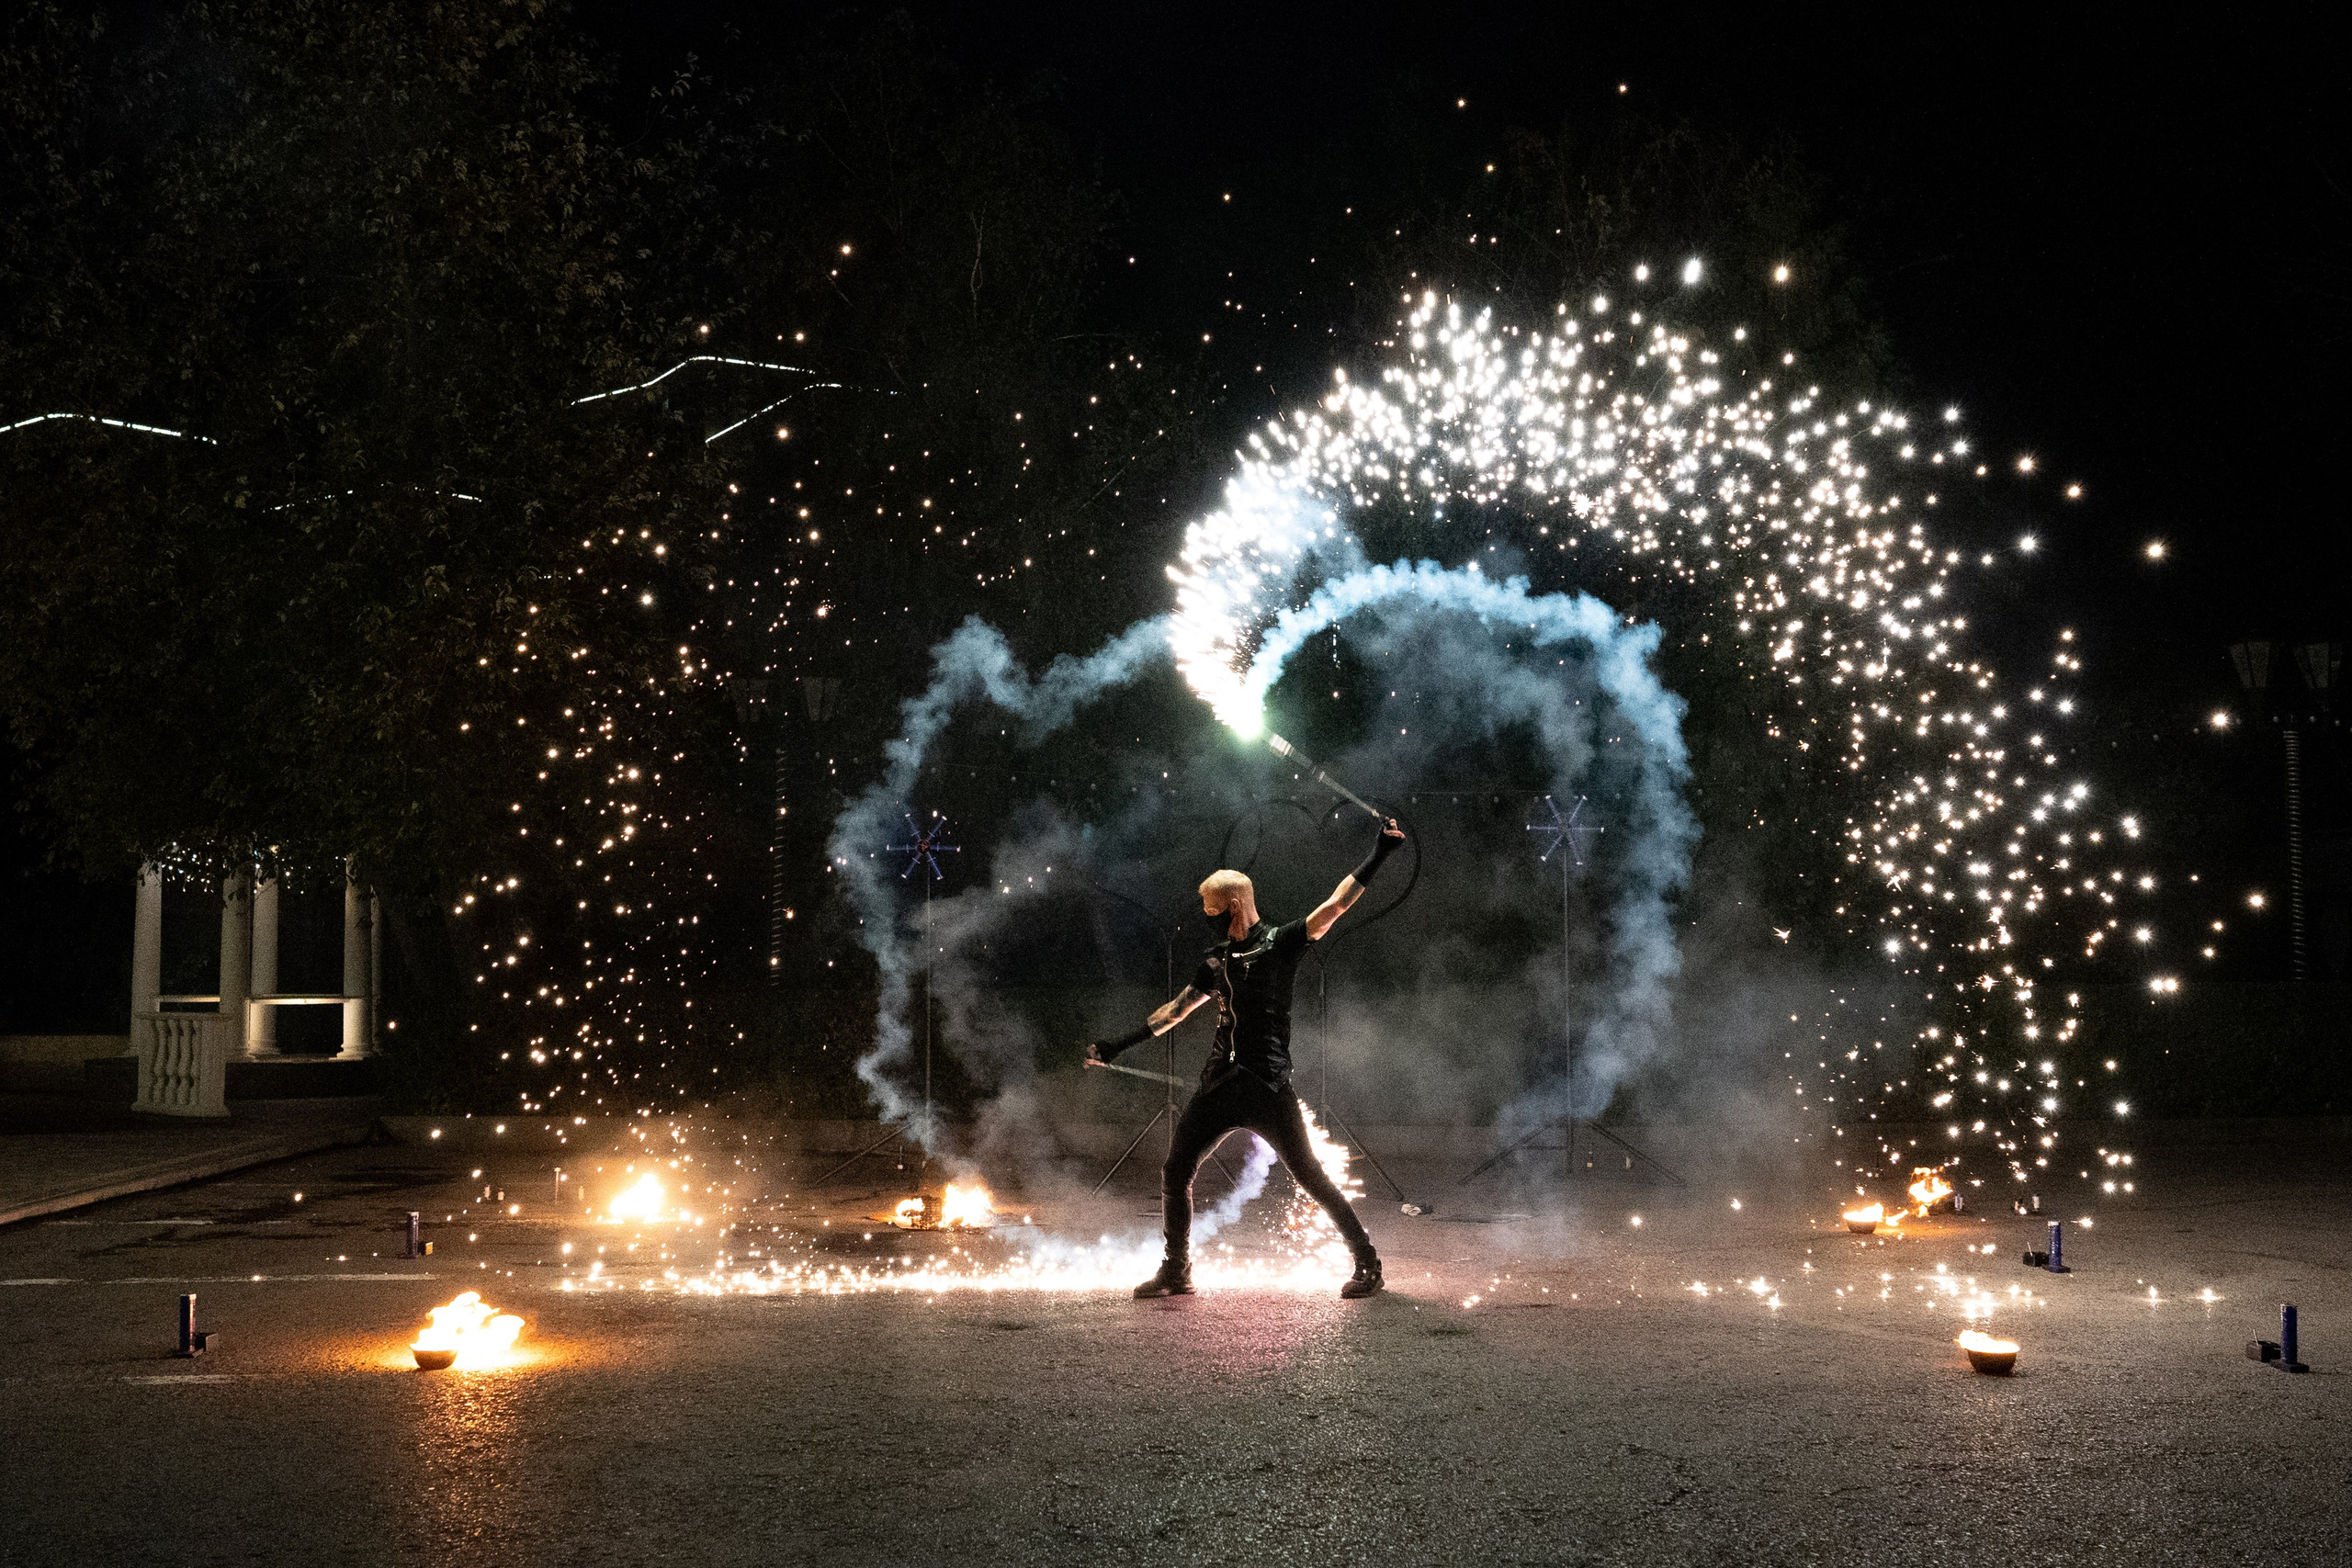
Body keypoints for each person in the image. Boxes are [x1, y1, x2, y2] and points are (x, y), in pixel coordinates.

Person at [1089, 818, 1405, 1300]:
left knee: (1311, 1177)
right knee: (1176, 1170)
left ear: (1234, 906)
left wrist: (1380, 851)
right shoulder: (1215, 961)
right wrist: (1117, 1046)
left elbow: (1337, 903)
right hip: (1218, 1085)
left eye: (1211, 910)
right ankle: (1177, 1271)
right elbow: (1174, 1012)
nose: (1206, 917)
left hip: (1268, 1086)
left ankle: (1368, 1264)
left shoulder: (1283, 943)